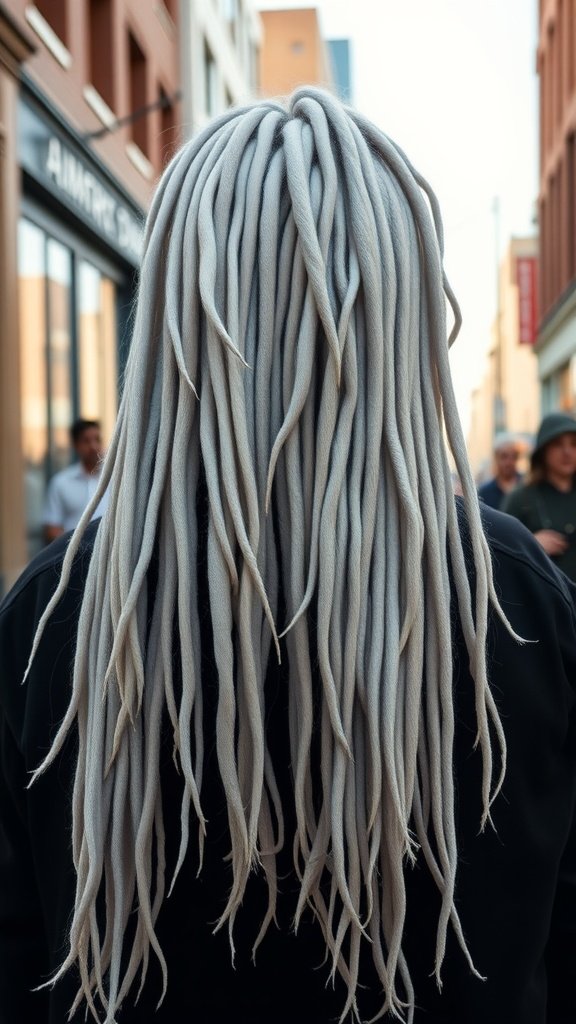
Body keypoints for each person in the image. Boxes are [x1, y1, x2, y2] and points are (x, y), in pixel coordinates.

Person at [0, 89, 575, 1024]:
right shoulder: (512, 596)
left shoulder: (57, 611)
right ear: (400, 304)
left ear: (175, 305)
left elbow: (21, 958)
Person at [502, 412, 576, 581]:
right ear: (544, 450)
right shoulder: (521, 498)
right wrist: (531, 545)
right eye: (558, 444)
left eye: (574, 444)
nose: (567, 452)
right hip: (544, 599)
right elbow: (499, 553)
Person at [42, 418, 109, 543]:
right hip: (74, 557)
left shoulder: (114, 480)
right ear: (76, 445)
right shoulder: (61, 483)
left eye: (97, 440)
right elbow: (52, 528)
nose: (93, 446)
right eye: (86, 441)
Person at [477, 432, 522, 510]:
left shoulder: (527, 486)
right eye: (504, 456)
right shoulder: (485, 492)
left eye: (513, 457)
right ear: (496, 458)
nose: (509, 462)